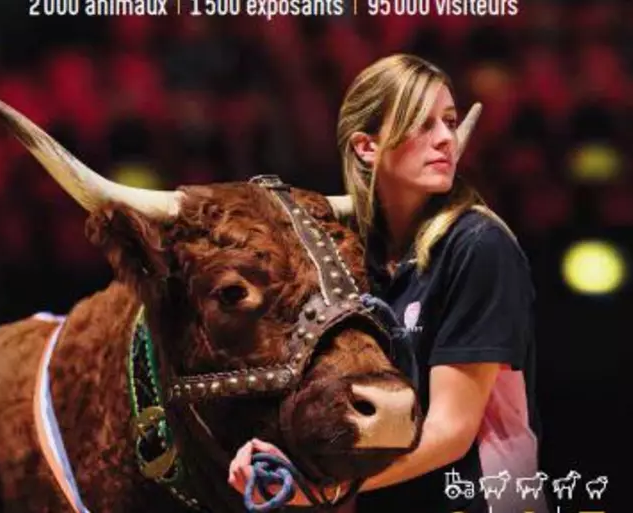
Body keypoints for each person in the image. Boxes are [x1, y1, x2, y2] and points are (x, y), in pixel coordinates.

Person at [228, 54, 548, 513]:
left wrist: (326, 487)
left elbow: (451, 432)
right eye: (423, 124)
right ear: (366, 147)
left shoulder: (479, 245)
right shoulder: (351, 258)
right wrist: (271, 455)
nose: (445, 139)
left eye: (450, 122)